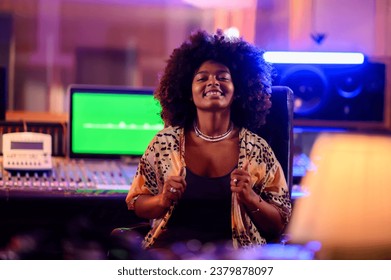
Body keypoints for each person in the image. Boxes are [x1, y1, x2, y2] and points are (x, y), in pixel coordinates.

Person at [125, 29, 292, 253]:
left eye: (223, 77)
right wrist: (162, 200)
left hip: (235, 260)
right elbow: (137, 202)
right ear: (188, 90)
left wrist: (251, 198)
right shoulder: (164, 143)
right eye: (202, 78)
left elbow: (280, 222)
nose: (212, 82)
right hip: (171, 258)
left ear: (238, 90)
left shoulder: (257, 149)